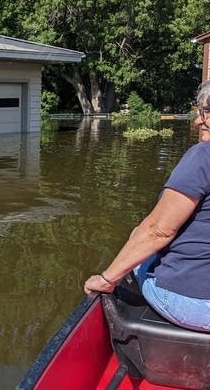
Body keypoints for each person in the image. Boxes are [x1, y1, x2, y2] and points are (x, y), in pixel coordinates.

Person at [84, 81, 210, 332]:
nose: (198, 121)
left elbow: (158, 231)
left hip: (195, 303)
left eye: (204, 112)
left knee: (140, 253)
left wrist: (107, 279)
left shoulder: (203, 157)